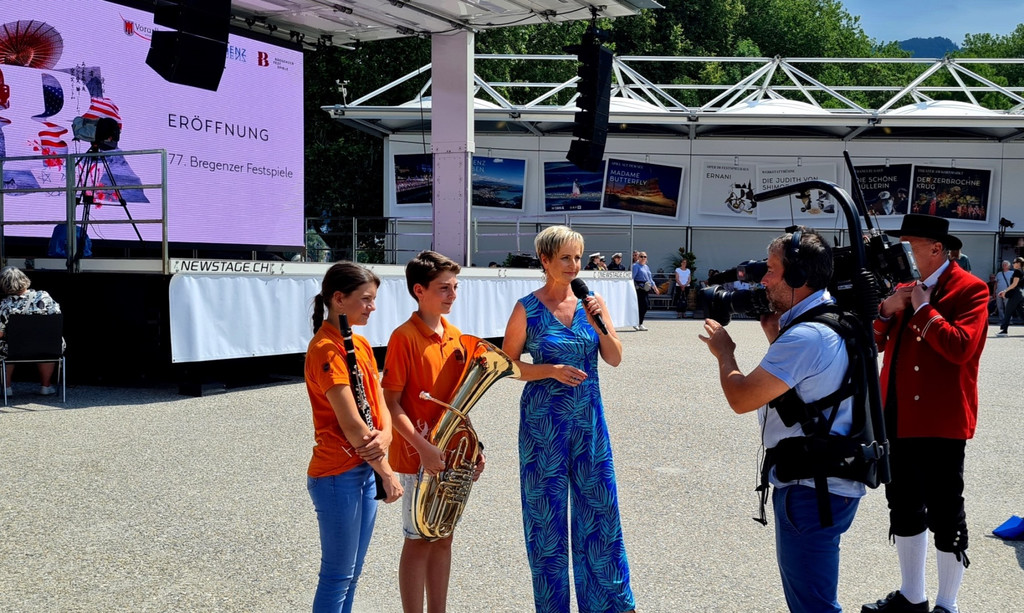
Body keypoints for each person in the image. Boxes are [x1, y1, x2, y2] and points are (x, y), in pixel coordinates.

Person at [699, 227, 863, 613]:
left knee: (814, 607)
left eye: (771, 270)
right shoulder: (833, 319)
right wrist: (775, 337)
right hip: (828, 479)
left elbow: (741, 397)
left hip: (810, 488)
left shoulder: (806, 336)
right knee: (813, 599)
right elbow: (805, 392)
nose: (764, 280)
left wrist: (725, 352)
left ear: (798, 277)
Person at [501, 225, 636, 613]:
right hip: (543, 425)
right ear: (545, 260)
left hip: (589, 420)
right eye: (565, 258)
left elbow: (615, 358)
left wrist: (598, 324)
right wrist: (549, 370)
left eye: (578, 257)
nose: (574, 265)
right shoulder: (526, 308)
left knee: (600, 512)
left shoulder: (592, 303)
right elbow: (507, 365)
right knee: (546, 521)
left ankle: (608, 606)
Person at [863, 214, 988, 613]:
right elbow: (872, 344)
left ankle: (948, 604)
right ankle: (912, 596)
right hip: (897, 415)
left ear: (937, 249)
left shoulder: (971, 289)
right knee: (903, 505)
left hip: (940, 419)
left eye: (909, 246)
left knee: (946, 510)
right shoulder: (903, 287)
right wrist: (886, 310)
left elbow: (960, 348)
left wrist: (923, 311)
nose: (901, 254)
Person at [382, 250, 479, 613]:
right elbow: (391, 403)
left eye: (455, 287)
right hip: (415, 456)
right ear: (419, 291)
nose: (452, 294)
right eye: (443, 288)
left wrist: (475, 447)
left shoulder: (456, 337)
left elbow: (459, 404)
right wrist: (422, 447)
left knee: (443, 536)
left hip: (451, 455)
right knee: (418, 539)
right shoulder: (403, 337)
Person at [305, 262, 403, 613]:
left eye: (373, 299)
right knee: (337, 575)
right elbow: (351, 424)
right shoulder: (326, 350)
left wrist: (387, 436)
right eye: (365, 299)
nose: (372, 307)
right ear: (338, 299)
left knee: (352, 574)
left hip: (364, 467)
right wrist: (387, 472)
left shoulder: (358, 343)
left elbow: (379, 402)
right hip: (337, 474)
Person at [0, 266, 63, 396]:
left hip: (16, 349)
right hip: (48, 346)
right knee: (48, 344)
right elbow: (56, 318)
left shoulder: (5, 305)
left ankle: (7, 388)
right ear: (24, 279)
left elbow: (0, 333)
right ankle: (46, 386)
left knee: (4, 348)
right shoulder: (44, 296)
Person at [631, 251, 659, 331]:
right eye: (641, 256)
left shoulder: (646, 267)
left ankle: (640, 323)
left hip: (646, 288)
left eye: (645, 257)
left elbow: (650, 278)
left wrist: (655, 287)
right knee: (640, 306)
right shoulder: (635, 266)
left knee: (645, 306)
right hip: (639, 288)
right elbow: (632, 277)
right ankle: (636, 323)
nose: (643, 258)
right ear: (638, 257)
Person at [996, 256, 1024, 336]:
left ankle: (1004, 330)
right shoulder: (1022, 271)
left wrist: (1005, 291)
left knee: (1008, 311)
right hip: (1019, 293)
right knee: (1021, 312)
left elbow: (1014, 284)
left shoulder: (1017, 271)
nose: (1013, 264)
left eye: (1014, 262)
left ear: (1019, 263)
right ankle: (1004, 329)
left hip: (1016, 293)